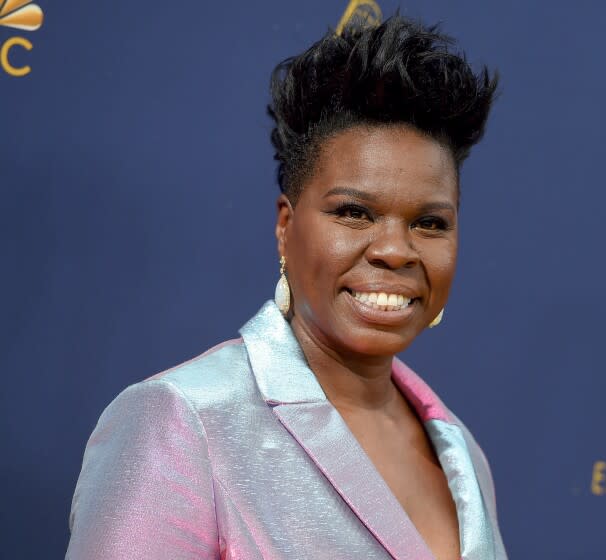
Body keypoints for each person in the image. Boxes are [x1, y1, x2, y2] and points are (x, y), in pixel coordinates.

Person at [66, 15, 505, 560]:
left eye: (430, 223)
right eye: (354, 212)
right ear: (285, 228)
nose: (395, 250)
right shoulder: (185, 421)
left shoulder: (463, 456)